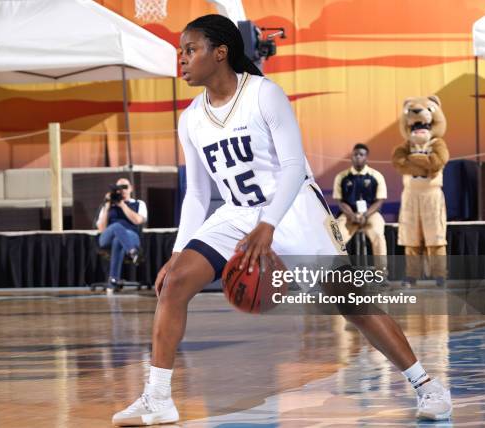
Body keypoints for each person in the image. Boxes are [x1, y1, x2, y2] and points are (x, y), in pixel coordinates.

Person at [112, 15, 452, 426]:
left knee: (354, 304)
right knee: (174, 283)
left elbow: (293, 167)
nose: (181, 59)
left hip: (293, 209)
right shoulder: (190, 119)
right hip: (238, 212)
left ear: (220, 53)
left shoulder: (264, 95)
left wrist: (268, 224)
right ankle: (158, 398)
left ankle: (426, 385)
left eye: (190, 50)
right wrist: (178, 251)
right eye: (180, 51)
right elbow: (199, 193)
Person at [333, 143, 388, 259]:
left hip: (371, 214)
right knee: (336, 237)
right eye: (355, 154)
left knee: (379, 235)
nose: (358, 157)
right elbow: (340, 202)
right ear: (351, 157)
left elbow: (379, 201)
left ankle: (381, 274)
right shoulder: (341, 177)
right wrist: (352, 215)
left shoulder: (376, 176)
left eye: (361, 154)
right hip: (348, 215)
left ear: (366, 157)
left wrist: (366, 215)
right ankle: (339, 271)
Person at [96, 178, 147, 288]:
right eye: (120, 188)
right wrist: (108, 205)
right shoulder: (107, 205)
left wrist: (122, 205)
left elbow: (138, 221)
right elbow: (101, 228)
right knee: (116, 226)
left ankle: (113, 279)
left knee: (117, 240)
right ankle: (133, 253)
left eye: (125, 187)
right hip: (107, 238)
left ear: (131, 189)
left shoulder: (139, 203)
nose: (123, 190)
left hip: (131, 236)